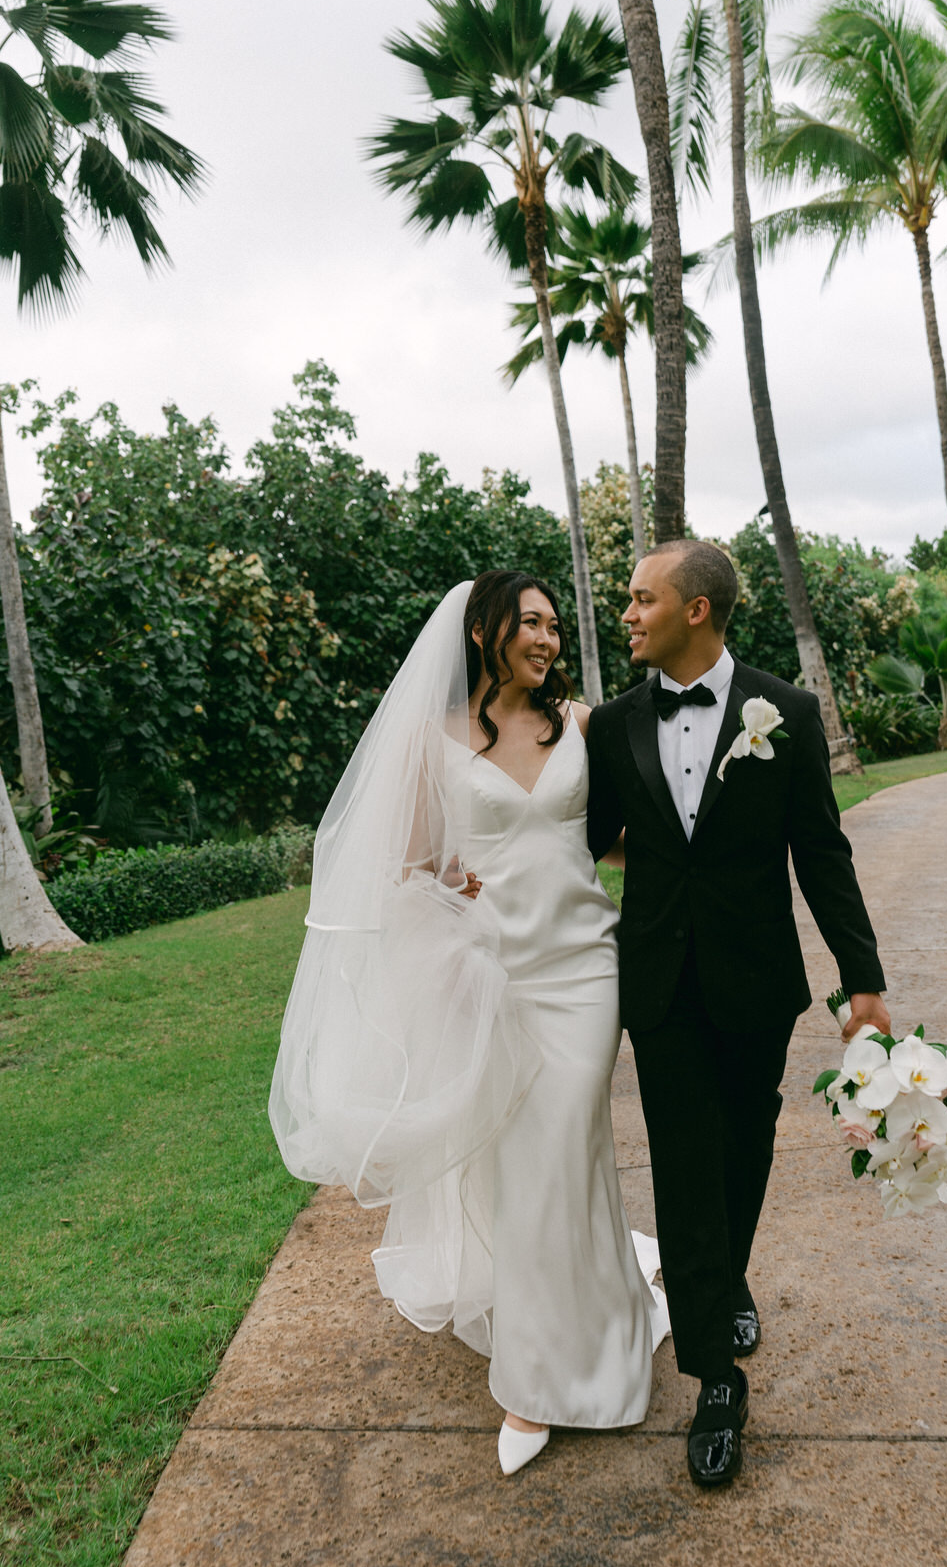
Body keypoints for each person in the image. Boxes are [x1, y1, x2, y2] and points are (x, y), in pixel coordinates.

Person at [269, 572, 667, 1478]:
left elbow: (606, 835)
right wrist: (447, 893)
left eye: (555, 626)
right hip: (494, 973)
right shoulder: (430, 738)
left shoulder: (585, 725)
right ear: (484, 631)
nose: (548, 639)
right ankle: (541, 1365)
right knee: (523, 1163)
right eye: (530, 622)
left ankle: (576, 1352)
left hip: (584, 970)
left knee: (570, 1146)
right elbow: (401, 867)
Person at [587, 539, 890, 1488]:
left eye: (642, 600)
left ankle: (723, 1278)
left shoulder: (785, 715)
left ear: (697, 611)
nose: (627, 614)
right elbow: (586, 844)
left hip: (756, 981)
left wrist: (863, 981)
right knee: (683, 1161)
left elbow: (822, 855)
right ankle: (717, 1377)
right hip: (662, 988)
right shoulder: (608, 725)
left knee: (744, 1151)